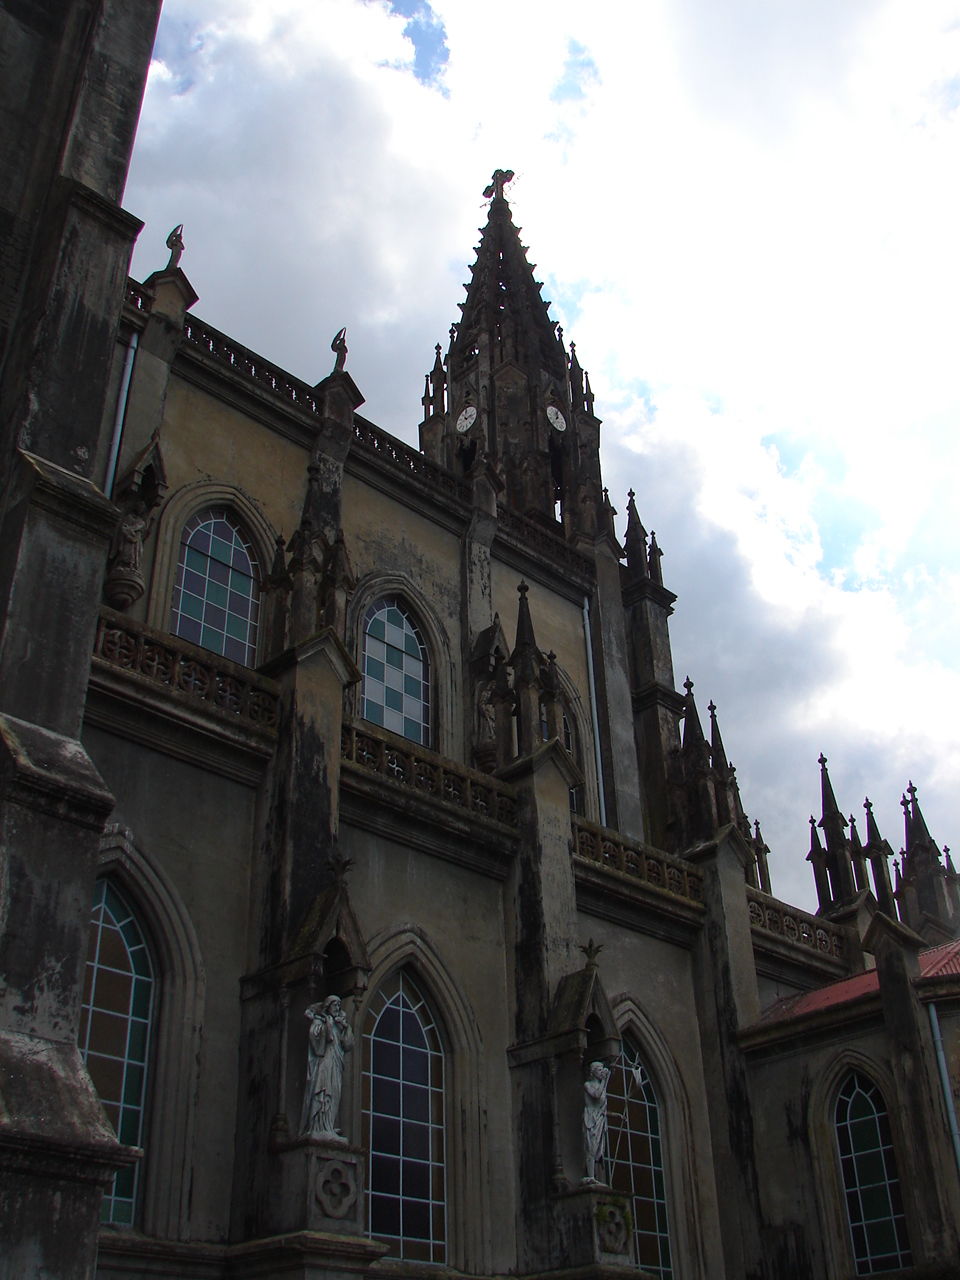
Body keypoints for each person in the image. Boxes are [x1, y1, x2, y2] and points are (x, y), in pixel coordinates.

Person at [299, 995, 354, 1138]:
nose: (337, 1008)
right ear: (327, 1006)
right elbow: (318, 1039)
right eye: (334, 1005)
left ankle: (329, 1125)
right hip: (324, 1061)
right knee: (323, 1090)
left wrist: (345, 1027)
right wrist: (327, 1025)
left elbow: (347, 1045)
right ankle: (318, 1126)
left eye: (338, 1005)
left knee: (335, 1092)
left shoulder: (340, 1024)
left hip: (336, 1063)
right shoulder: (321, 1021)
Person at [582, 1060, 611, 1184]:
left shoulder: (601, 1087)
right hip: (590, 1118)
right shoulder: (588, 1085)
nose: (601, 1073)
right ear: (593, 1072)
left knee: (598, 1148)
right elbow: (596, 1095)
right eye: (599, 1070)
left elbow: (602, 1106)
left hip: (599, 1119)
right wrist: (604, 1081)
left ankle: (593, 1175)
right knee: (591, 1146)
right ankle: (590, 1175)